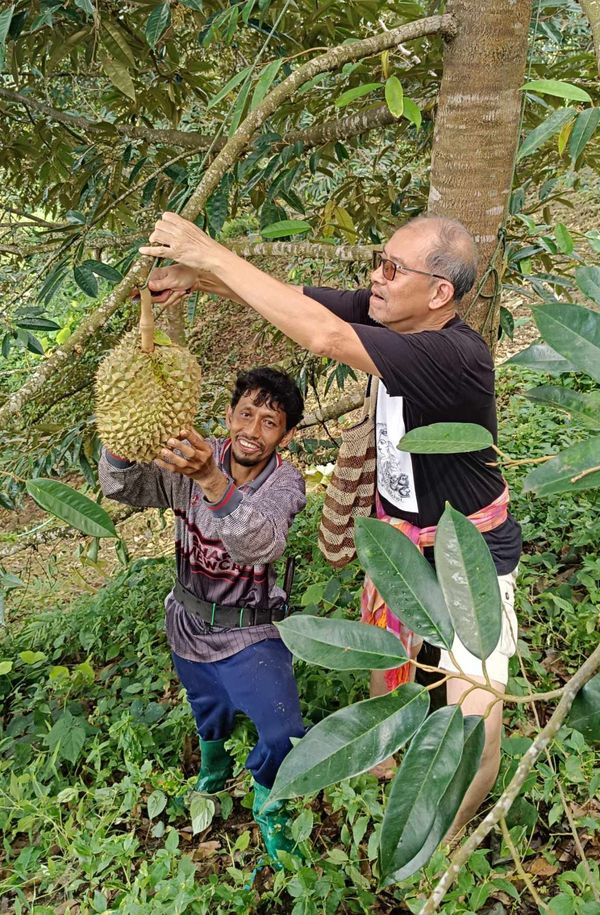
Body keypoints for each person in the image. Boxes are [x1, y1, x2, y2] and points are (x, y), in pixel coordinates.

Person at [139, 211, 522, 839]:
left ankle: (446, 841)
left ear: (439, 293)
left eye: (393, 268)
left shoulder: (456, 356)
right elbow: (296, 301)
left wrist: (208, 251)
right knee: (388, 672)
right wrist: (198, 279)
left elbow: (321, 335)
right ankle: (389, 767)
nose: (377, 277)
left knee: (476, 723)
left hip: (468, 552)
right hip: (400, 542)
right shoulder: (389, 315)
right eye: (379, 261)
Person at [98, 366, 307, 863]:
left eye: (270, 423)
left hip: (251, 630)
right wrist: (125, 430)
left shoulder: (285, 482)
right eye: (246, 414)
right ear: (229, 415)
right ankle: (214, 766)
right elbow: (123, 485)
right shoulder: (193, 455)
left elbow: (259, 544)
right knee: (208, 708)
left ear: (285, 436)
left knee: (283, 732)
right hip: (188, 623)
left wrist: (210, 480)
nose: (252, 431)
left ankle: (269, 800)